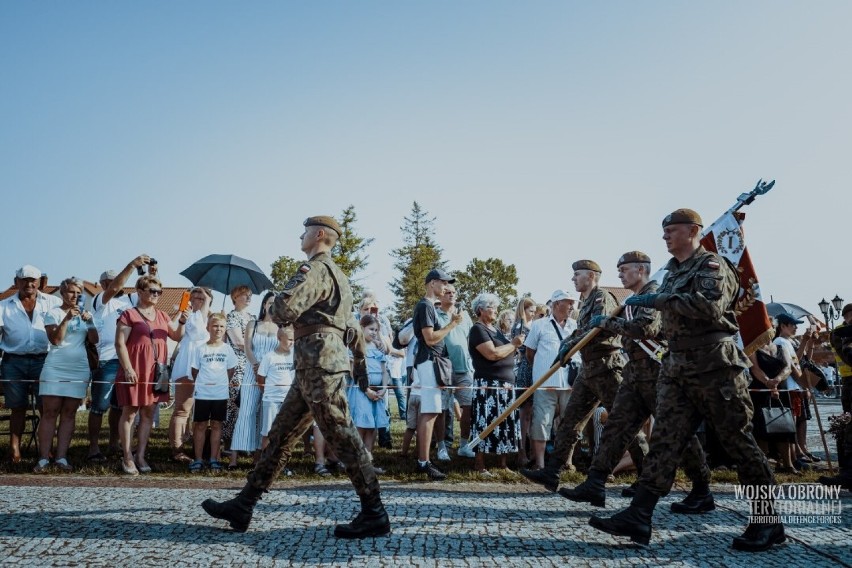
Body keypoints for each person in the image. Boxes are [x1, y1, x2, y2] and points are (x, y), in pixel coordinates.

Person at [588, 209, 783, 552]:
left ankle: (768, 523)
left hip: (715, 367)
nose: (665, 237)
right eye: (664, 232)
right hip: (677, 367)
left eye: (672, 231)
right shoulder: (673, 273)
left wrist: (658, 299)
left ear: (693, 231)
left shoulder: (712, 265)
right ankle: (640, 514)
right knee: (665, 442)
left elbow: (709, 307)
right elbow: (663, 325)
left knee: (738, 444)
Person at [201, 215, 390, 539]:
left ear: (318, 235)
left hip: (318, 365)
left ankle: (374, 512)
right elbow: (354, 330)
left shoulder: (315, 270)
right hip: (314, 366)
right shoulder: (341, 277)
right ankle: (244, 504)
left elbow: (283, 311)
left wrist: (278, 298)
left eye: (304, 232)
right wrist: (357, 364)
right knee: (280, 436)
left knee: (342, 436)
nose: (299, 237)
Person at [559, 251, 713, 513]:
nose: (619, 274)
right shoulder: (631, 300)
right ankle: (595, 482)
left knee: (676, 432)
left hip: (657, 372)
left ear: (641, 270)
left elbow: (646, 329)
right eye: (619, 269)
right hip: (635, 371)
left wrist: (608, 322)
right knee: (617, 426)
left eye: (625, 269)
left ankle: (702, 488)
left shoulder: (654, 293)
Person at [115, 274, 187, 475]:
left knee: (148, 414)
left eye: (159, 292)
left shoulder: (163, 316)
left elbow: (176, 335)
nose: (156, 295)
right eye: (152, 291)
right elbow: (119, 343)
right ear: (139, 292)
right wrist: (128, 368)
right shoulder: (129, 315)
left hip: (157, 372)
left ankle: (140, 455)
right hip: (135, 368)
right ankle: (127, 456)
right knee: (129, 413)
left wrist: (181, 321)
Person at [33, 277, 99, 472]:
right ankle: (44, 458)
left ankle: (62, 457)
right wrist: (67, 318)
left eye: (79, 293)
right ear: (62, 293)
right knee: (50, 412)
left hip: (79, 367)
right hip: (55, 366)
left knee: (69, 414)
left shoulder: (86, 314)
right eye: (71, 292)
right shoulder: (52, 313)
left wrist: (90, 322)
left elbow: (94, 340)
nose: (75, 296)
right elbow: (56, 340)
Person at [0, 265, 62, 463]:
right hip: (13, 360)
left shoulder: (54, 302)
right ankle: (14, 449)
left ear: (40, 282)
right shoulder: (3, 306)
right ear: (16, 281)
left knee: (47, 407)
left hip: (44, 359)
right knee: (17, 407)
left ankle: (46, 449)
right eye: (25, 280)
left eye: (33, 280)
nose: (30, 283)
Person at [87, 261, 147, 462]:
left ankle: (114, 443)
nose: (118, 284)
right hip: (107, 361)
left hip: (128, 361)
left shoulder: (131, 299)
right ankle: (93, 447)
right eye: (112, 281)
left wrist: (151, 271)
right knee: (99, 407)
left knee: (120, 406)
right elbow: (114, 288)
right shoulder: (100, 300)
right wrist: (132, 265)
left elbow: (148, 290)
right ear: (103, 283)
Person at [411, 268, 464, 480]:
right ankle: (423, 462)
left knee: (431, 412)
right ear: (432, 283)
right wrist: (452, 324)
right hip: (429, 362)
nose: (446, 287)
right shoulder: (425, 306)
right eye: (443, 283)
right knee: (430, 411)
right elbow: (430, 338)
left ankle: (424, 460)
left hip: (432, 362)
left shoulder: (428, 306)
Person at [468, 293, 525, 476]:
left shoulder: (495, 330)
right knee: (484, 422)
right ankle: (479, 464)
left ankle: (503, 463)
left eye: (495, 306)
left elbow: (505, 351)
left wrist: (513, 346)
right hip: (488, 384)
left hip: (506, 384)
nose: (495, 310)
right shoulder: (478, 330)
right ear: (480, 310)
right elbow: (492, 354)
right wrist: (514, 344)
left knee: (505, 423)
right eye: (491, 307)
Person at [522, 290, 579, 471]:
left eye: (572, 303)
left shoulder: (575, 325)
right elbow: (529, 353)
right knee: (541, 421)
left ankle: (566, 462)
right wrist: (542, 370)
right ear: (556, 304)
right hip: (545, 383)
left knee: (569, 422)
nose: (572, 306)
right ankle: (540, 463)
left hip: (570, 383)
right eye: (568, 302)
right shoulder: (539, 325)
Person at [749, 313, 804, 473]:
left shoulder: (779, 347)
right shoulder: (753, 348)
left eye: (771, 328)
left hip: (779, 390)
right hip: (761, 391)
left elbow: (788, 367)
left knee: (784, 428)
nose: (769, 331)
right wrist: (768, 382)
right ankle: (763, 464)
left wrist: (777, 381)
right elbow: (755, 368)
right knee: (761, 430)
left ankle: (787, 464)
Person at [231, 292, 279, 465]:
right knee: (247, 410)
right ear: (264, 304)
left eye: (277, 303)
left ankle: (259, 453)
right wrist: (255, 365)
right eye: (270, 302)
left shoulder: (281, 327)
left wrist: (267, 369)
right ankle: (234, 456)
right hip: (253, 370)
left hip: (272, 374)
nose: (273, 306)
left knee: (265, 413)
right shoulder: (254, 323)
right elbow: (247, 347)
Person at [167, 286, 213, 463]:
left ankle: (202, 447)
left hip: (207, 364)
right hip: (188, 361)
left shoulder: (213, 317)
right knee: (182, 408)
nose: (197, 299)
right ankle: (177, 449)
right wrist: (181, 318)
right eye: (193, 296)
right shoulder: (186, 315)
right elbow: (176, 335)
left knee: (203, 411)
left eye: (201, 297)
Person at [189, 312, 238, 472]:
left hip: (220, 394)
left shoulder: (228, 350)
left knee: (217, 425)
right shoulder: (200, 348)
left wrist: (221, 384)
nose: (218, 329)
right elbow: (195, 370)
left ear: (225, 329)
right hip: (203, 394)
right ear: (208, 327)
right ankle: (197, 459)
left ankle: (213, 459)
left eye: (222, 326)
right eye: (215, 326)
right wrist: (204, 384)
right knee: (200, 426)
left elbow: (231, 370)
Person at [434, 283, 474, 460]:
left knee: (469, 406)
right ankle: (441, 447)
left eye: (453, 292)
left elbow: (470, 339)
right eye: (447, 292)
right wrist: (452, 323)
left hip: (464, 368)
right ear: (440, 296)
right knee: (442, 409)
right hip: (443, 367)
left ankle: (464, 445)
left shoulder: (465, 316)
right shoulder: (435, 314)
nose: (451, 295)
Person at [347, 315, 390, 472]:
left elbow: (385, 371)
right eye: (371, 329)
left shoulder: (378, 349)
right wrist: (367, 390)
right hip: (361, 391)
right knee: (361, 426)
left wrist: (384, 388)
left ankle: (368, 462)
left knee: (372, 427)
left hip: (377, 392)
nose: (374, 332)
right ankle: (356, 461)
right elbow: (354, 374)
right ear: (362, 328)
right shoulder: (356, 348)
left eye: (376, 330)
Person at [819, 303, 852, 489]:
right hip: (849, 383)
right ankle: (847, 472)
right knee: (848, 427)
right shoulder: (840, 332)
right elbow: (848, 356)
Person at [224, 284, 255, 466]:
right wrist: (254, 348)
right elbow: (237, 341)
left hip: (252, 365)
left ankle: (245, 441)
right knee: (234, 403)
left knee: (249, 404)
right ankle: (229, 443)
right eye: (244, 294)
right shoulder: (232, 316)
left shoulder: (253, 317)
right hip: (238, 364)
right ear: (235, 297)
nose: (248, 297)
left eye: (249, 294)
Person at [256, 325, 295, 452]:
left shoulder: (295, 356)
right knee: (268, 432)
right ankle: (265, 463)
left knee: (285, 433)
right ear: (279, 338)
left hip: (288, 400)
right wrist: (267, 393)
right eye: (289, 339)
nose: (291, 343)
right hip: (271, 400)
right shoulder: (269, 357)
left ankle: (281, 463)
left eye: (293, 340)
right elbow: (261, 378)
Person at [511, 297, 537, 467]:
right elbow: (525, 350)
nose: (533, 314)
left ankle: (530, 451)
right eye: (531, 311)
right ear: (523, 310)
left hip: (531, 369)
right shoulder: (521, 328)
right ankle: (522, 452)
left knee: (530, 414)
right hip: (524, 370)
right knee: (524, 414)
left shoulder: (530, 326)